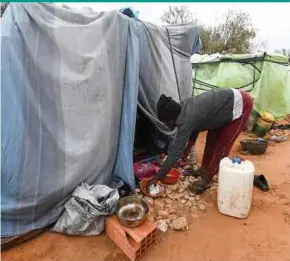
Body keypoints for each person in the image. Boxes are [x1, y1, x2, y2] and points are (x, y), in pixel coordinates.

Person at [151, 88, 253, 194]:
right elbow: (195, 128)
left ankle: (207, 180)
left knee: (222, 146)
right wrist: (187, 149)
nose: (167, 125)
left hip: (240, 104)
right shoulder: (182, 108)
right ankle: (204, 170)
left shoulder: (187, 120)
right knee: (211, 141)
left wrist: (158, 176)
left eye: (167, 122)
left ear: (172, 118)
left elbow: (175, 152)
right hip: (220, 109)